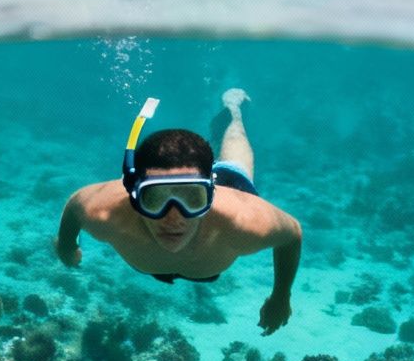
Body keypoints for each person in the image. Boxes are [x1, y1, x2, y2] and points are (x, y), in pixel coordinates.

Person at [54, 89, 301, 333]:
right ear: (134, 194)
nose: (173, 218)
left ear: (212, 194)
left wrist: (281, 295)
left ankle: (233, 113)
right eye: (156, 198)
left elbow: (292, 233)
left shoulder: (241, 220)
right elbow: (76, 205)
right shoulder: (106, 214)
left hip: (223, 191)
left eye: (192, 198)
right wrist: (66, 243)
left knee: (235, 162)